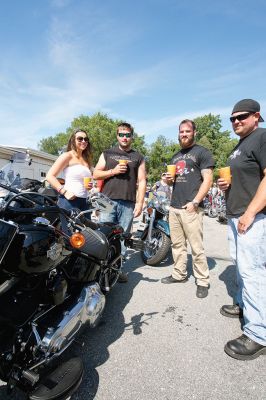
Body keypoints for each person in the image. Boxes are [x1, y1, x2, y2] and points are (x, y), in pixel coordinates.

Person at [218, 99, 266, 360]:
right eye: (232, 118)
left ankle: (258, 334)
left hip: (253, 217)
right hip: (236, 215)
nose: (236, 121)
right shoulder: (240, 144)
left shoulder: (262, 137)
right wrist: (227, 186)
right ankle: (244, 306)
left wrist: (250, 213)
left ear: (256, 116)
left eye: (242, 117)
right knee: (240, 266)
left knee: (253, 272)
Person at [161, 119, 214, 298]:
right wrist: (168, 180)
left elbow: (208, 179)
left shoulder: (202, 152)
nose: (184, 134)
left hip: (191, 207)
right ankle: (179, 274)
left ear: (194, 133)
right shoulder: (175, 156)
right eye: (181, 131)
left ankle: (202, 280)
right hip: (174, 206)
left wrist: (196, 202)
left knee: (196, 247)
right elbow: (172, 181)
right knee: (177, 245)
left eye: (187, 131)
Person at [93, 122, 146, 282]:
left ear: (132, 137)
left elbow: (142, 180)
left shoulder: (138, 157)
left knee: (123, 237)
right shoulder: (107, 153)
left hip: (127, 203)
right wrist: (113, 171)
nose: (124, 137)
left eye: (127, 135)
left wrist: (140, 202)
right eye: (121, 134)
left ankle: (116, 269)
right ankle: (98, 270)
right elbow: (95, 173)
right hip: (105, 200)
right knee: (103, 236)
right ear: (117, 136)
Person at [46, 128, 93, 225]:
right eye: (80, 139)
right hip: (69, 201)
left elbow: (83, 182)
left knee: (86, 236)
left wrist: (89, 186)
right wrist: (64, 191)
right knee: (67, 236)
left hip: (84, 202)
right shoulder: (67, 156)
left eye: (86, 139)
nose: (83, 141)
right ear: (73, 140)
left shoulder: (86, 159)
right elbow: (50, 176)